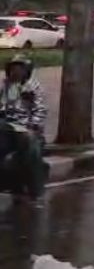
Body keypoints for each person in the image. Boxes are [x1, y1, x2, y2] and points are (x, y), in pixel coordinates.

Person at [0, 55, 47, 199]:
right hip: (7, 127)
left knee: (31, 147)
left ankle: (36, 190)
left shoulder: (33, 88)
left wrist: (33, 126)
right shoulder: (5, 87)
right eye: (13, 69)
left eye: (20, 69)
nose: (16, 72)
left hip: (25, 128)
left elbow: (40, 110)